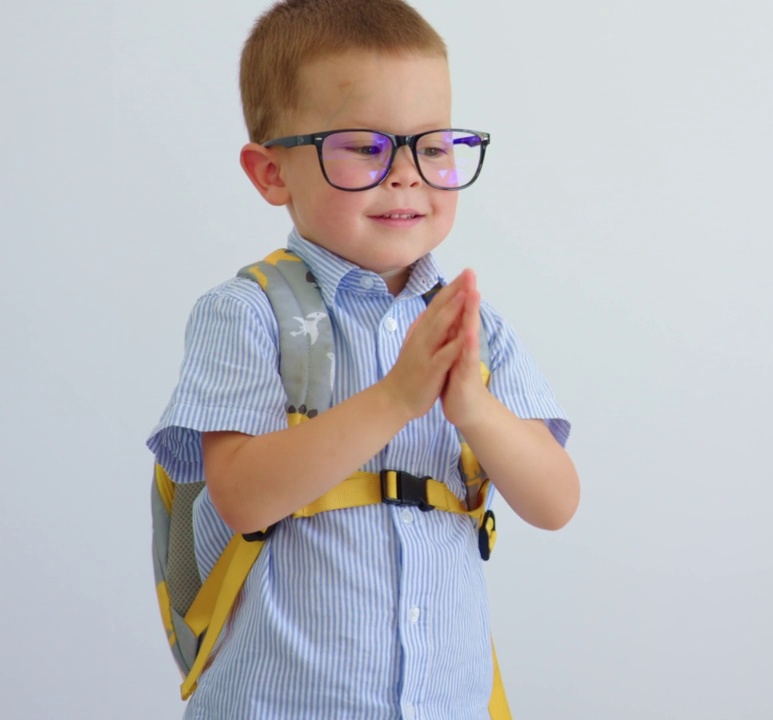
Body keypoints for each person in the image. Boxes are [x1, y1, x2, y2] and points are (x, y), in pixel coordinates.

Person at [147, 1, 579, 717]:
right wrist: (395, 399)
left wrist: (472, 408)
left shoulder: (475, 327)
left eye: (433, 147)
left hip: (452, 702)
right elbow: (242, 496)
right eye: (365, 147)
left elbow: (555, 501)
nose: (407, 174)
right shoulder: (247, 313)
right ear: (271, 173)